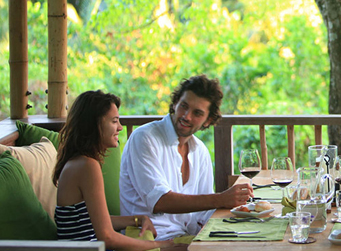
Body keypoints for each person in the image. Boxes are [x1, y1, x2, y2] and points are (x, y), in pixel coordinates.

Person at [119, 75, 253, 241]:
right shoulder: (145, 138)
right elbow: (159, 201)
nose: (187, 116)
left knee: (247, 239)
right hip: (149, 239)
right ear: (175, 103)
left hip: (185, 237)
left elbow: (204, 212)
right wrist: (221, 199)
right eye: (184, 106)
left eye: (197, 113)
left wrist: (242, 213)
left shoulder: (200, 151)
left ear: (207, 121)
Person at [52, 90, 174, 250]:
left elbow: (92, 220)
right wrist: (159, 245)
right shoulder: (86, 166)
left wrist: (136, 219)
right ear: (94, 124)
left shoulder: (79, 162)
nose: (120, 128)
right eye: (114, 121)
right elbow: (107, 237)